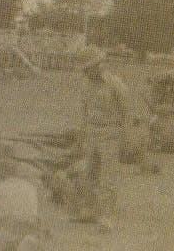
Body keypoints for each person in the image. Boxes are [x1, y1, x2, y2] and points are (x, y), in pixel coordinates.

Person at [69, 51, 153, 233]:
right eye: (85, 70)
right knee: (89, 173)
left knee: (108, 177)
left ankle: (107, 216)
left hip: (110, 134)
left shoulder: (115, 84)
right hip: (92, 132)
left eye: (89, 69)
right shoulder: (86, 85)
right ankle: (89, 210)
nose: (86, 73)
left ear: (98, 66)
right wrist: (82, 135)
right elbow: (84, 111)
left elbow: (127, 112)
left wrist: (127, 136)